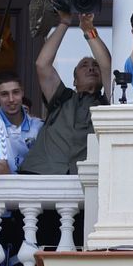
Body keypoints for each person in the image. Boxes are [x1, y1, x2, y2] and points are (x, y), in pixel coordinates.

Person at [19, 11, 111, 175]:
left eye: (94, 65)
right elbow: (42, 64)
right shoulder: (62, 97)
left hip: (85, 182)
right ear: (74, 80)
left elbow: (107, 66)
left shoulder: (107, 104)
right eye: (84, 65)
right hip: (42, 175)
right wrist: (64, 22)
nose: (91, 68)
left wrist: (88, 30)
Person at [0, 71, 42, 171]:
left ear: (22, 92)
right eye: (4, 94)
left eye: (15, 92)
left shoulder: (38, 126)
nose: (11, 99)